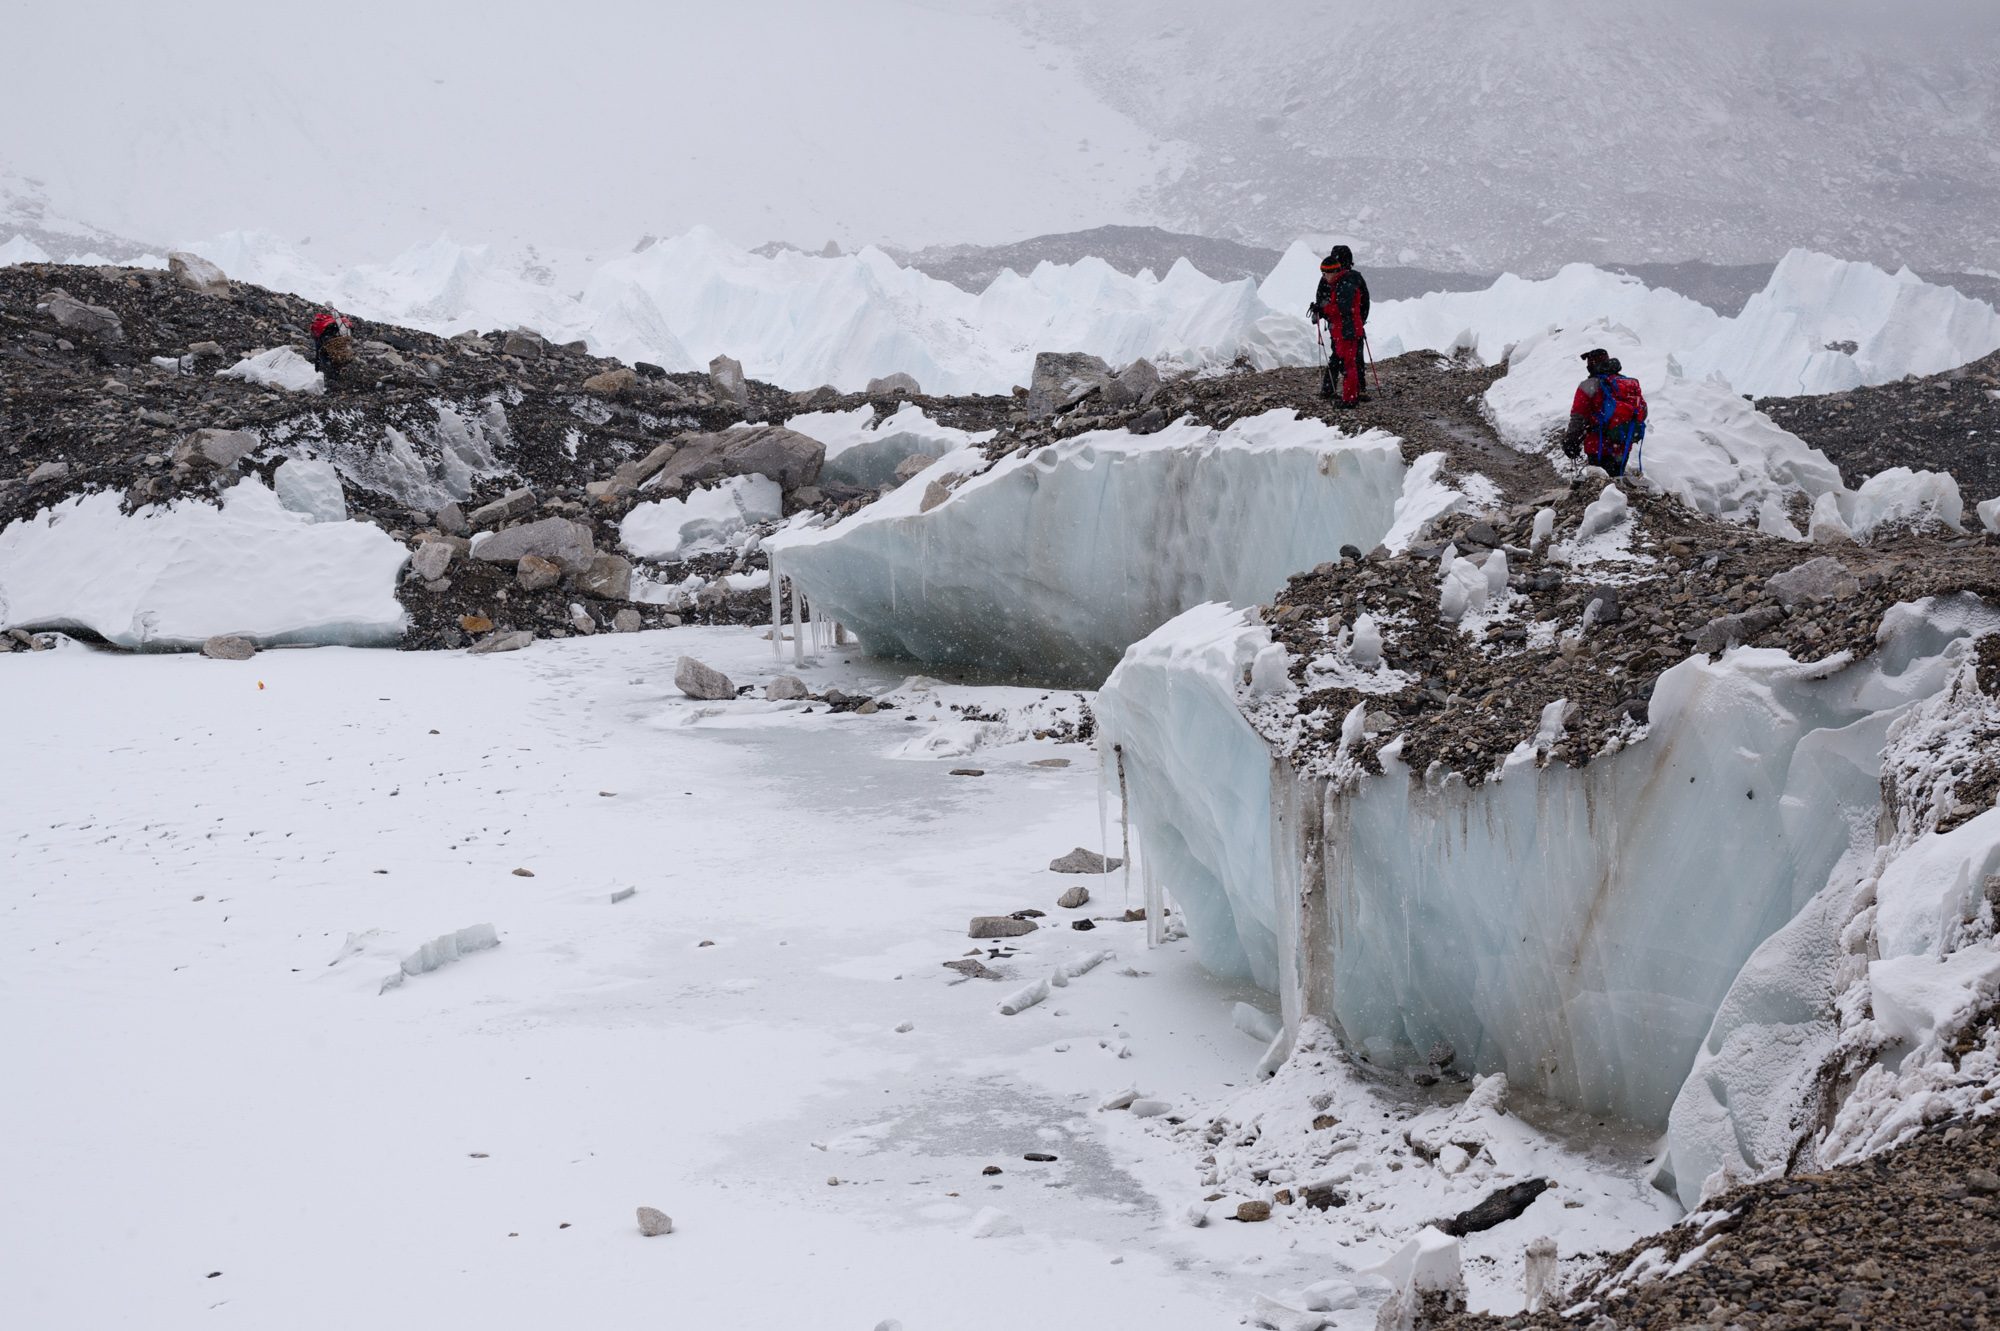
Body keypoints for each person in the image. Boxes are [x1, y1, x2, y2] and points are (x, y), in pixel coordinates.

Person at [1563, 347, 1648, 477]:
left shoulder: (1588, 385)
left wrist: (1570, 442)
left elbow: (1578, 417)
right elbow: (1643, 411)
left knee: (1601, 485)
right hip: (1623, 443)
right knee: (1617, 479)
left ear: (1591, 365)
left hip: (1598, 445)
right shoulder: (1627, 383)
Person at [1308, 245, 1371, 407]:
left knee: (1338, 356)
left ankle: (1330, 389)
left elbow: (1324, 300)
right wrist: (1360, 320)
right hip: (1351, 325)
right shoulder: (1354, 277)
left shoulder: (1329, 279)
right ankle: (1359, 389)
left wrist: (1322, 312)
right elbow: (1365, 302)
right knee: (1355, 357)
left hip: (1338, 325)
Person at [310, 310, 355, 385]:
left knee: (325, 357)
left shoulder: (319, 327)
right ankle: (340, 376)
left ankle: (332, 378)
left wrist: (317, 369)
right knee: (338, 358)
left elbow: (318, 353)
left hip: (328, 342)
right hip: (341, 342)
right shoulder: (338, 322)